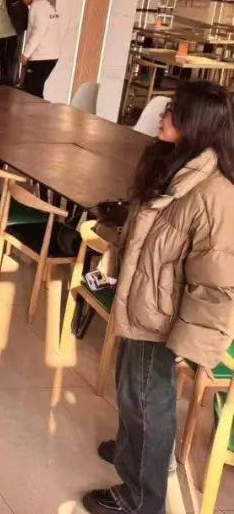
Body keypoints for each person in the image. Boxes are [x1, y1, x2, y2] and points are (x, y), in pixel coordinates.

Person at [83, 81, 234, 514]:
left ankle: (142, 500)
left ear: (195, 124)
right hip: (143, 304)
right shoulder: (173, 165)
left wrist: (189, 343)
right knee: (132, 391)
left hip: (163, 321)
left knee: (149, 403)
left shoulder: (215, 193)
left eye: (173, 111)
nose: (163, 115)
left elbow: (217, 283)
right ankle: (131, 451)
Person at [18, 0, 62, 98]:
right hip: (51, 55)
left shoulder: (37, 6)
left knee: (31, 93)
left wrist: (26, 54)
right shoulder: (47, 6)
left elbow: (38, 32)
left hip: (41, 57)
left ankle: (37, 110)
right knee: (35, 91)